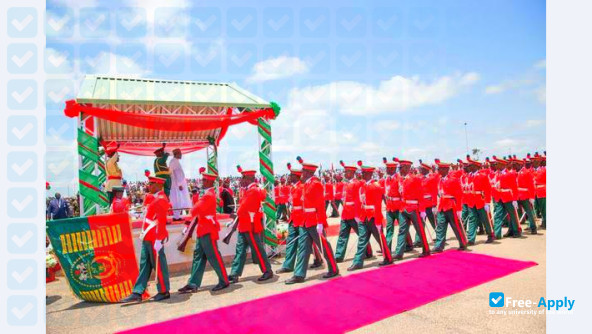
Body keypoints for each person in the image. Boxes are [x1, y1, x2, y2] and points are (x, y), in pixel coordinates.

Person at [286, 157, 339, 284]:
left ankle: (333, 268)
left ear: (309, 173)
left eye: (303, 171)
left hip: (314, 221)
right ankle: (299, 274)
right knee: (303, 248)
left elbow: (320, 205)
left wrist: (321, 222)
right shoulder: (306, 184)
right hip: (305, 221)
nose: (301, 174)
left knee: (323, 246)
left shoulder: (316, 184)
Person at [121, 176, 171, 303]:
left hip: (155, 236)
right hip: (148, 235)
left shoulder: (161, 199)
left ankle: (164, 291)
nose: (149, 185)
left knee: (159, 265)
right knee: (144, 264)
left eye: (151, 183)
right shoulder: (154, 198)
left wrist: (159, 239)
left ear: (159, 184)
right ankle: (138, 292)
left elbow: (161, 220)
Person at [178, 171, 229, 293]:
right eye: (203, 180)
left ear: (211, 182)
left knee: (214, 256)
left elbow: (195, 210)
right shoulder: (206, 194)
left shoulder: (208, 195)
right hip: (203, 229)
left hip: (207, 230)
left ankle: (224, 280)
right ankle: (193, 283)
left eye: (205, 180)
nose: (203, 182)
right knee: (198, 257)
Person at [228, 166, 274, 283]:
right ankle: (234, 273)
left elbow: (242, 209)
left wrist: (235, 215)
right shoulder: (250, 189)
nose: (241, 180)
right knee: (240, 250)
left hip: (250, 225)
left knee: (258, 249)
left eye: (243, 177)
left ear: (248, 178)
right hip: (245, 224)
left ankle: (267, 270)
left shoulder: (252, 190)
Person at [348, 163, 393, 271]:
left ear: (369, 173)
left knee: (380, 238)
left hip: (373, 217)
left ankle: (388, 257)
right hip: (364, 216)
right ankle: (358, 262)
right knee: (362, 239)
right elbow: (361, 202)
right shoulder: (362, 186)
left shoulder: (375, 186)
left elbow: (377, 205)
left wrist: (378, 221)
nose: (361, 174)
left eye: (363, 172)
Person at [334, 161, 373, 263]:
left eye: (346, 171)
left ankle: (368, 251)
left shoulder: (357, 183)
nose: (344, 173)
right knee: (342, 235)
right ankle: (338, 255)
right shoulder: (346, 184)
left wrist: (357, 214)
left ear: (352, 172)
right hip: (345, 213)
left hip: (353, 213)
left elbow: (358, 199)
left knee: (361, 234)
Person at [393, 159, 430, 259]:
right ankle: (399, 252)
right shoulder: (400, 179)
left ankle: (426, 249)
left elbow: (420, 194)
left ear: (406, 167)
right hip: (403, 208)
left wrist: (422, 210)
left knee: (419, 230)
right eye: (399, 168)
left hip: (413, 208)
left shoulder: (415, 179)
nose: (399, 170)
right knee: (402, 230)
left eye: (400, 168)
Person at [432, 159, 468, 252]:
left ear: (445, 170)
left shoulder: (453, 180)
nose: (438, 171)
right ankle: (439, 246)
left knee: (456, 226)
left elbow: (459, 195)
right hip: (442, 206)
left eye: (439, 169)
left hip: (451, 205)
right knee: (440, 226)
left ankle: (463, 243)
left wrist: (459, 209)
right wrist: (435, 205)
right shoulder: (439, 180)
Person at [465, 159, 495, 244]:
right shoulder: (469, 176)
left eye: (471, 165)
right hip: (472, 200)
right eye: (469, 166)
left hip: (481, 200)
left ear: (477, 166)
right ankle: (471, 239)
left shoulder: (483, 175)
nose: (469, 167)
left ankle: (490, 235)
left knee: (485, 219)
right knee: (472, 219)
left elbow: (488, 190)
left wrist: (487, 202)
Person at [516, 158, 538, 234]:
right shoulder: (518, 172)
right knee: (516, 213)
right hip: (518, 195)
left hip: (524, 195)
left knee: (529, 212)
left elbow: (531, 186)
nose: (528, 164)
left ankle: (533, 228)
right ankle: (516, 229)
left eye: (529, 163)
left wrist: (532, 197)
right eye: (527, 163)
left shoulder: (527, 172)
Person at [169, 148, 191, 221]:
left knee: (178, 200)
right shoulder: (173, 161)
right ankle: (176, 216)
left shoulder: (175, 161)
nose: (181, 155)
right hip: (176, 185)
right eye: (180, 153)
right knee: (177, 200)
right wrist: (179, 184)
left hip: (178, 185)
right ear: (176, 154)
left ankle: (177, 216)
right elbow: (174, 174)